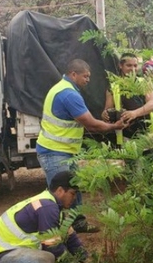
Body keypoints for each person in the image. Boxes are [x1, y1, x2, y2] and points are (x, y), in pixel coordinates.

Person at [36, 58, 123, 199]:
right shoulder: (69, 94)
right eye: (85, 76)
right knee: (61, 197)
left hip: (63, 151)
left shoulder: (62, 87)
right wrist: (115, 126)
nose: (88, 80)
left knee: (73, 194)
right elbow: (91, 124)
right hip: (55, 153)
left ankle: (76, 213)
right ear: (73, 74)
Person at [102, 52, 153, 138]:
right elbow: (108, 108)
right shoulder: (113, 87)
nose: (133, 69)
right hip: (125, 133)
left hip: (147, 131)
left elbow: (152, 104)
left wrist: (134, 113)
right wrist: (105, 114)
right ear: (120, 66)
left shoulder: (145, 82)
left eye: (135, 65)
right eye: (129, 65)